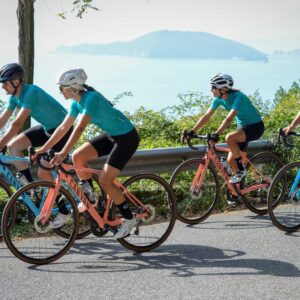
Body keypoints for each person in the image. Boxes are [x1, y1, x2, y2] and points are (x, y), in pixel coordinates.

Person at [34, 67, 140, 239]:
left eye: (61, 88)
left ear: (72, 87)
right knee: (78, 157)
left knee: (106, 180)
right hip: (112, 135)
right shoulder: (76, 103)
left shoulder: (91, 98)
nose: (60, 91)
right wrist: (44, 148)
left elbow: (80, 127)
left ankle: (129, 218)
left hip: (127, 138)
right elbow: (63, 127)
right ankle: (90, 195)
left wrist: (63, 152)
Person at [0, 63, 73, 227]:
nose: (2, 86)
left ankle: (64, 211)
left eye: (5, 82)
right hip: (48, 129)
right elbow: (3, 120)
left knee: (44, 173)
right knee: (13, 146)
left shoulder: (30, 92)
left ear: (16, 81)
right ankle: (33, 189)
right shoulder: (14, 96)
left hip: (63, 131)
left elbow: (17, 124)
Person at [181, 73, 264, 184]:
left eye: (213, 87)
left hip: (255, 127)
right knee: (230, 160)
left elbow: (228, 118)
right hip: (242, 126)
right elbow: (206, 116)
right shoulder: (218, 99)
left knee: (229, 137)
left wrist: (217, 133)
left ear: (223, 90)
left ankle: (241, 170)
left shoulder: (239, 97)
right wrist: (192, 131)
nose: (211, 90)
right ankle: (238, 191)